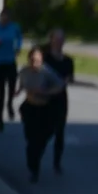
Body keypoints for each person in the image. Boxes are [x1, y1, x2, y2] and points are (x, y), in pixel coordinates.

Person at [14, 45, 66, 183]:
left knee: (40, 141)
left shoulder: (46, 72)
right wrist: (18, 91)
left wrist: (45, 92)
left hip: (44, 110)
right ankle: (33, 166)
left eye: (37, 60)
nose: (34, 63)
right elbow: (22, 83)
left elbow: (60, 85)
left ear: (41, 60)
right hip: (30, 108)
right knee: (30, 140)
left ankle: (35, 166)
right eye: (32, 60)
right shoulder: (24, 71)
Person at [43, 29, 76, 175]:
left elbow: (71, 78)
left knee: (60, 130)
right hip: (45, 97)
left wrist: (68, 80)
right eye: (56, 39)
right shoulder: (45, 58)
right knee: (46, 130)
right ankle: (36, 155)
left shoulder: (68, 60)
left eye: (61, 40)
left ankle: (57, 163)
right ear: (51, 40)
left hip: (61, 98)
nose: (59, 42)